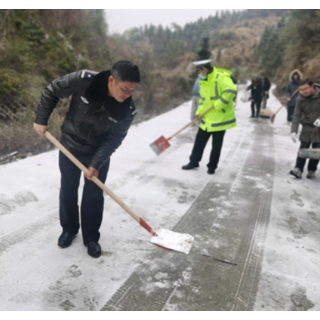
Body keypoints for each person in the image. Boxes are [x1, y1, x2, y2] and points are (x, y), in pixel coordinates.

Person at [33, 61, 141, 258]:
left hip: (97, 153)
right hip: (69, 147)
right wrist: (41, 119)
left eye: (131, 90)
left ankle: (91, 237)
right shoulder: (83, 81)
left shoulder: (127, 110)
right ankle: (69, 229)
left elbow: (115, 138)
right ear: (111, 80)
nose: (127, 94)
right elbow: (52, 90)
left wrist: (95, 163)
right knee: (68, 188)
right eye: (124, 88)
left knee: (93, 195)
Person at [182, 60, 237, 175]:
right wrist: (199, 111)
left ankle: (212, 166)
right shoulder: (204, 80)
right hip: (207, 117)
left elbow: (231, 91)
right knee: (199, 141)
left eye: (199, 71)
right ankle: (194, 162)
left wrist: (218, 104)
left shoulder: (221, 77)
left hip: (220, 117)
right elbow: (203, 99)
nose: (198, 73)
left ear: (205, 69)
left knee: (216, 145)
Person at [290, 79, 320, 179]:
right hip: (307, 125)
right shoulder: (300, 98)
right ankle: (298, 169)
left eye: (306, 88)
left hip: (319, 126)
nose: (304, 91)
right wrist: (293, 130)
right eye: (302, 89)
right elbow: (296, 115)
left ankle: (311, 170)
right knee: (303, 147)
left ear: (312, 87)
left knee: (316, 149)